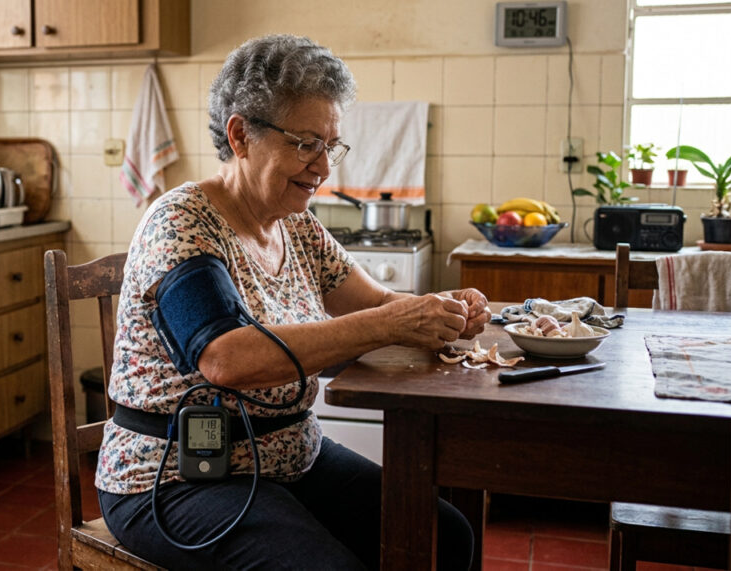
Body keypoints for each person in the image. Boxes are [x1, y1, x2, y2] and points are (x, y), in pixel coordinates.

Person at [97, 34, 489, 570]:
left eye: (331, 145)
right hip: (176, 475)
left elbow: (372, 302)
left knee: (447, 535)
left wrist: (439, 312)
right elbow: (225, 357)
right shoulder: (182, 223)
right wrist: (389, 322)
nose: (324, 167)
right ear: (241, 136)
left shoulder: (295, 224)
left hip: (288, 456)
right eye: (306, 143)